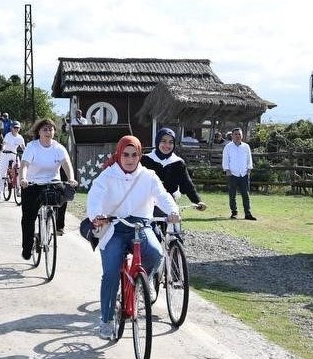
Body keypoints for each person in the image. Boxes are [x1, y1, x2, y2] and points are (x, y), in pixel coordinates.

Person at [87, 135, 180, 340]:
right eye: (126, 155)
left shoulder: (148, 176)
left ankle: (141, 284)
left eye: (134, 155)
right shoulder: (107, 176)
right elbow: (95, 197)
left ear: (140, 155)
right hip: (114, 227)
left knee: (155, 254)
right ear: (119, 155)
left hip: (141, 225)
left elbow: (162, 195)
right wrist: (96, 215)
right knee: (111, 273)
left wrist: (172, 210)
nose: (130, 159)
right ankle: (106, 319)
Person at [19, 118, 78, 258]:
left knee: (66, 192)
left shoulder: (58, 147)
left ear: (54, 132)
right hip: (33, 184)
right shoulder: (32, 146)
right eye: (45, 129)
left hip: (52, 182)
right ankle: (27, 248)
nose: (48, 131)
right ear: (38, 131)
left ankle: (59, 226)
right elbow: (25, 164)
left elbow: (66, 164)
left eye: (51, 129)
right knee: (28, 217)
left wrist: (71, 178)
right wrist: (23, 178)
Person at [138, 128, 207, 213]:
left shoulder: (178, 163)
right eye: (163, 141)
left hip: (168, 204)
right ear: (157, 141)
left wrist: (197, 201)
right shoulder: (145, 160)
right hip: (146, 204)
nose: (167, 145)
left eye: (171, 142)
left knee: (173, 224)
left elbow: (187, 184)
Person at [222, 128, 255, 220]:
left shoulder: (246, 146)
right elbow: (225, 159)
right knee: (232, 195)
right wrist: (227, 169)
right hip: (232, 174)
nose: (238, 136)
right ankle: (234, 213)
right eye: (236, 134)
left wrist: (249, 168)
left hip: (244, 173)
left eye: (239, 134)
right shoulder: (228, 147)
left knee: (246, 194)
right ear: (232, 136)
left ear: (242, 135)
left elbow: (249, 158)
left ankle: (247, 213)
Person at [0, 120, 27, 201]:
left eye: (18, 128)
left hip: (14, 154)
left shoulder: (20, 137)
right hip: (5, 154)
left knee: (18, 170)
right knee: (3, 173)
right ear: (11, 128)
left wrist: (26, 153)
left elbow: (23, 147)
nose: (16, 129)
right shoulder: (8, 135)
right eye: (15, 127)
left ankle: (18, 189)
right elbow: (4, 144)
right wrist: (3, 149)